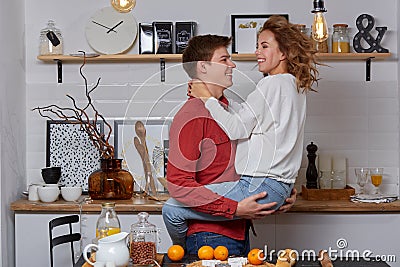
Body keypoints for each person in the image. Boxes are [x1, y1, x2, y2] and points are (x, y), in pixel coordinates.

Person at [163, 15, 319, 251]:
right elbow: (179, 183)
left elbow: (246, 137)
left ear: (283, 53)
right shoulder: (194, 114)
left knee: (171, 211)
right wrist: (278, 187)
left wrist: (280, 189)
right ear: (204, 67)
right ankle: (183, 253)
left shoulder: (256, 95)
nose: (234, 64)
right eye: (225, 59)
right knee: (171, 211)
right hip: (209, 236)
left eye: (263, 46)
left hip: (240, 226)